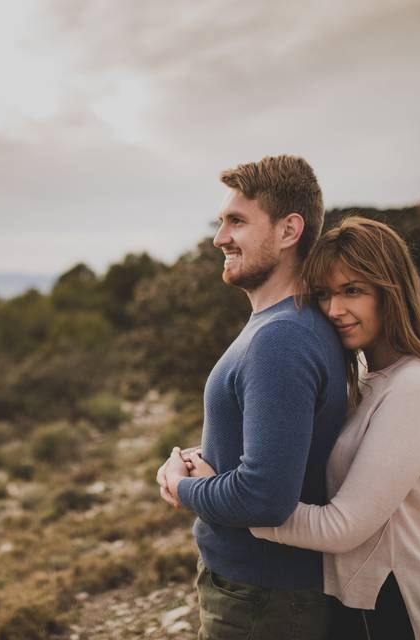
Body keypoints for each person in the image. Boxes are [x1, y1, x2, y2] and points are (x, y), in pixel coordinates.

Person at [184, 217, 420, 639]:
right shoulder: (363, 373)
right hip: (362, 603)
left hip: (402, 612)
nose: (335, 310)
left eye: (353, 291)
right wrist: (210, 459)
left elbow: (342, 527)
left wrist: (235, 501)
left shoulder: (415, 387)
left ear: (391, 292)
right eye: (323, 294)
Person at [156, 155, 348, 639]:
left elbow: (265, 497)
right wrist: (209, 456)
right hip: (260, 595)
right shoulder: (284, 324)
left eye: (237, 222)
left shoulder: (280, 339)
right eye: (223, 221)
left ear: (289, 231)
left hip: (260, 601)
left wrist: (182, 488)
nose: (220, 237)